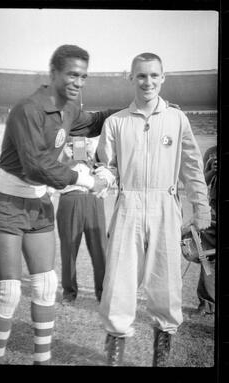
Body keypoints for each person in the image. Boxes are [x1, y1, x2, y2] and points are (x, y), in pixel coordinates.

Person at [0, 44, 117, 365]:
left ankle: (43, 361)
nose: (78, 82)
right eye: (72, 74)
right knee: (9, 292)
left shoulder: (69, 110)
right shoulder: (27, 110)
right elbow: (35, 166)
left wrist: (136, 104)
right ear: (53, 73)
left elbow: (95, 121)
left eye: (83, 77)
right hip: (8, 203)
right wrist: (86, 180)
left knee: (45, 286)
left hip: (39, 203)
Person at [95, 52, 211, 367]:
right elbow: (107, 167)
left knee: (166, 285)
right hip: (128, 207)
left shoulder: (177, 119)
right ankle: (115, 356)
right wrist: (100, 178)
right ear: (130, 78)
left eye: (154, 76)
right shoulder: (115, 122)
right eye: (141, 75)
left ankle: (160, 357)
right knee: (118, 283)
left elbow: (192, 168)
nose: (148, 81)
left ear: (163, 78)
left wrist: (201, 207)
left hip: (165, 207)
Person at [56, 137, 107, 305]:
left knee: (100, 249)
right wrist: (65, 158)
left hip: (94, 198)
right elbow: (52, 173)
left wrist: (92, 156)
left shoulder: (97, 138)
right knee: (68, 248)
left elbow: (106, 170)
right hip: (70, 197)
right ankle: (69, 292)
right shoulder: (59, 136)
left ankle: (103, 292)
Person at [196, 145, 217, 315]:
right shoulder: (211, 152)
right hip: (214, 216)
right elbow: (202, 183)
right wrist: (212, 170)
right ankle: (206, 304)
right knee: (207, 259)